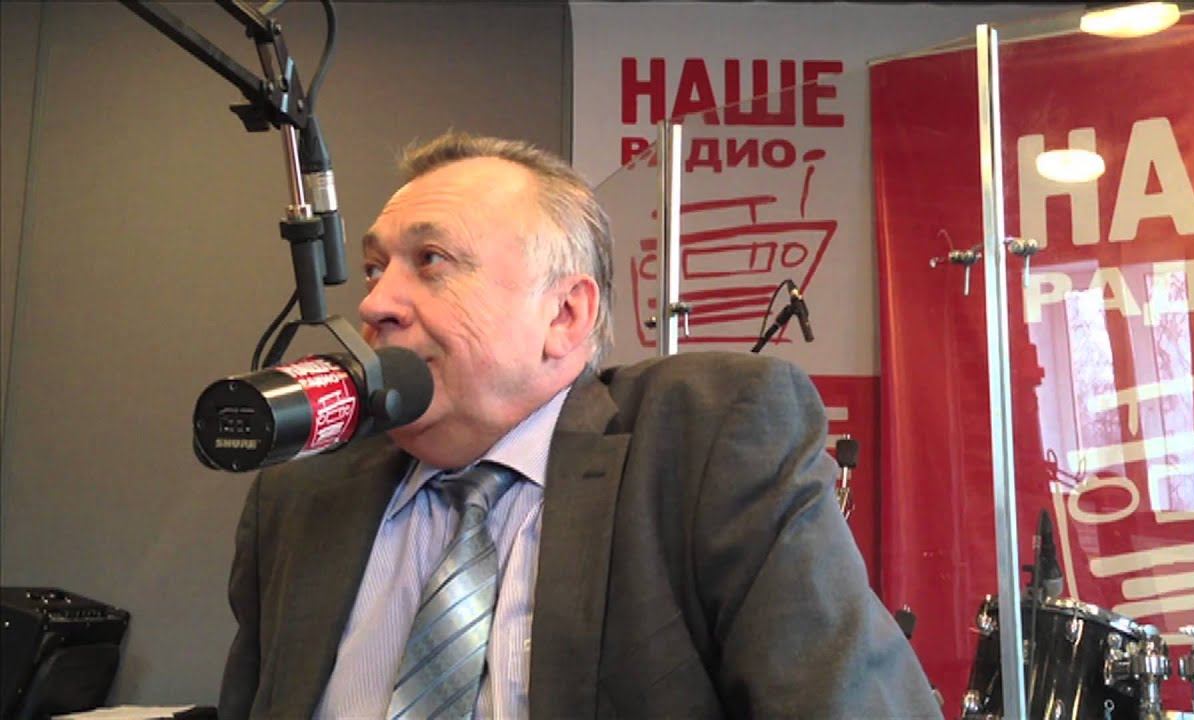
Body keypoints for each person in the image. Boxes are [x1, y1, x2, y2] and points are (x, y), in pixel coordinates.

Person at [218, 132, 941, 719]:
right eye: (376, 268)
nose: (376, 304)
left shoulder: (709, 442)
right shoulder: (300, 493)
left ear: (564, 315)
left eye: (430, 261)